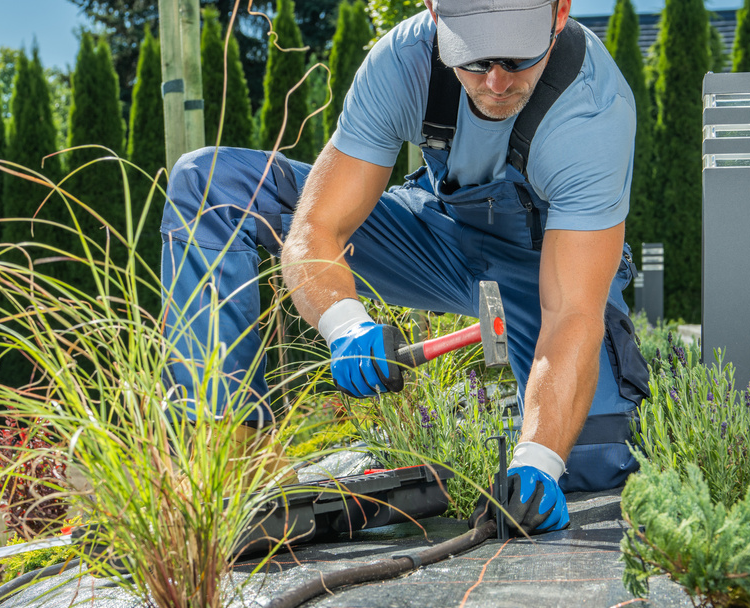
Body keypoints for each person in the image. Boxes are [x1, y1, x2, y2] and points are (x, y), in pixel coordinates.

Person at [160, 0, 649, 535]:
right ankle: (224, 464)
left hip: (541, 268)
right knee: (212, 188)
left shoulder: (592, 109)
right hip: (435, 238)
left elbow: (573, 312)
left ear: (559, 13)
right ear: (437, 17)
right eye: (475, 60)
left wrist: (539, 460)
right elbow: (318, 226)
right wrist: (344, 323)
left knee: (589, 459)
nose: (497, 81)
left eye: (517, 56)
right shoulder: (404, 61)